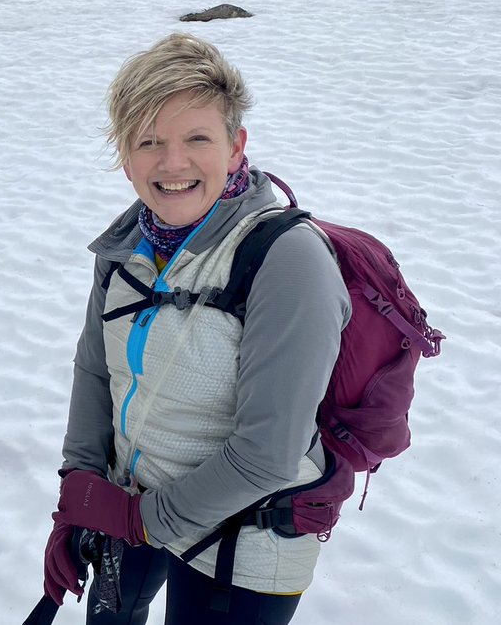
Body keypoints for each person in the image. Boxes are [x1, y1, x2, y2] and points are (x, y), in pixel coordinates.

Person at [40, 33, 352, 625]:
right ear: (125, 157)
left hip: (249, 534)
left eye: (197, 139)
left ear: (236, 148)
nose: (172, 162)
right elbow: (94, 369)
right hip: (130, 495)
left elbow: (266, 455)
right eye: (149, 142)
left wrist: (138, 521)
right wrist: (78, 487)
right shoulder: (125, 245)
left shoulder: (287, 261)